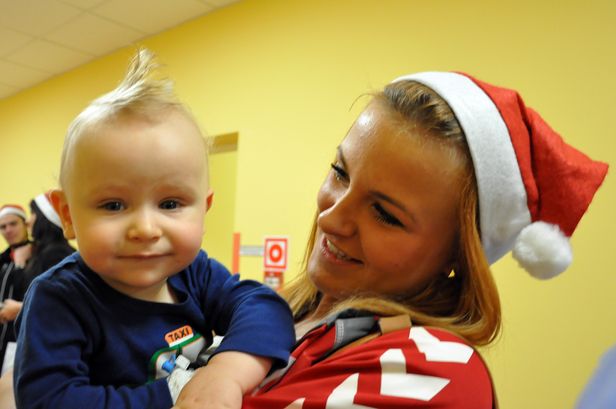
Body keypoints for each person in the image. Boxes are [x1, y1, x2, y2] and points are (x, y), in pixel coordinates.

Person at [240, 72, 608, 408]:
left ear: (457, 256)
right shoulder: (273, 309)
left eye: (385, 214)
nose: (330, 218)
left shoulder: (433, 373)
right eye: (340, 172)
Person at [13, 49, 295, 409]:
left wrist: (225, 373)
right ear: (67, 215)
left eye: (170, 204)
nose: (146, 229)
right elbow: (49, 401)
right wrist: (178, 392)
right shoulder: (58, 299)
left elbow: (265, 307)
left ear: (204, 209)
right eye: (113, 205)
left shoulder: (195, 273)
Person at [0, 205, 31, 376]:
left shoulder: (41, 255)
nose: (8, 230)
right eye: (3, 227)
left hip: (24, 342)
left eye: (13, 224)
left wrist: (20, 265)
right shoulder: (2, 260)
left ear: (26, 224)